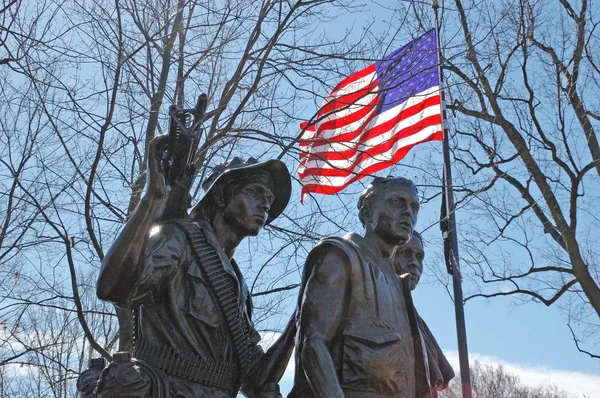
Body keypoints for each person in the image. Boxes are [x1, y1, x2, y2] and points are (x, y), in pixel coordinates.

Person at [95, 135, 293, 397]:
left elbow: (256, 379)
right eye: (255, 192)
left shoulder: (237, 286)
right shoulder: (176, 239)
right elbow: (114, 289)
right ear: (221, 194)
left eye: (269, 197)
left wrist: (301, 319)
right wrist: (153, 198)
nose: (266, 203)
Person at [289, 176, 435, 398]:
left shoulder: (400, 286)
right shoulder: (339, 258)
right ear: (367, 213)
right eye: (397, 202)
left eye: (413, 206)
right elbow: (313, 343)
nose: (408, 212)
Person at [393, 231, 455, 397]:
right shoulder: (370, 303)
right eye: (403, 252)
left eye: (419, 256)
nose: (414, 263)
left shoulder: (416, 319)